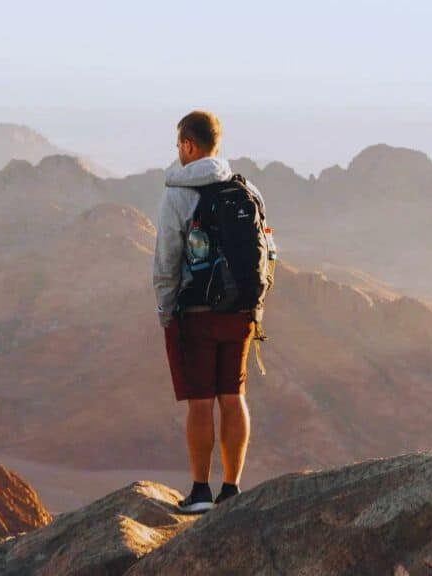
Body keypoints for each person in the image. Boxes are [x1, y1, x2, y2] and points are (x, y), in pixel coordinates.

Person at [152, 110, 267, 514]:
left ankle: (200, 492)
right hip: (241, 312)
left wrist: (166, 311)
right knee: (233, 395)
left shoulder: (177, 196)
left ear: (189, 145)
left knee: (201, 401)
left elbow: (166, 261)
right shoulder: (246, 188)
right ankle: (231, 490)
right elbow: (267, 249)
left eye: (178, 145)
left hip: (197, 312)